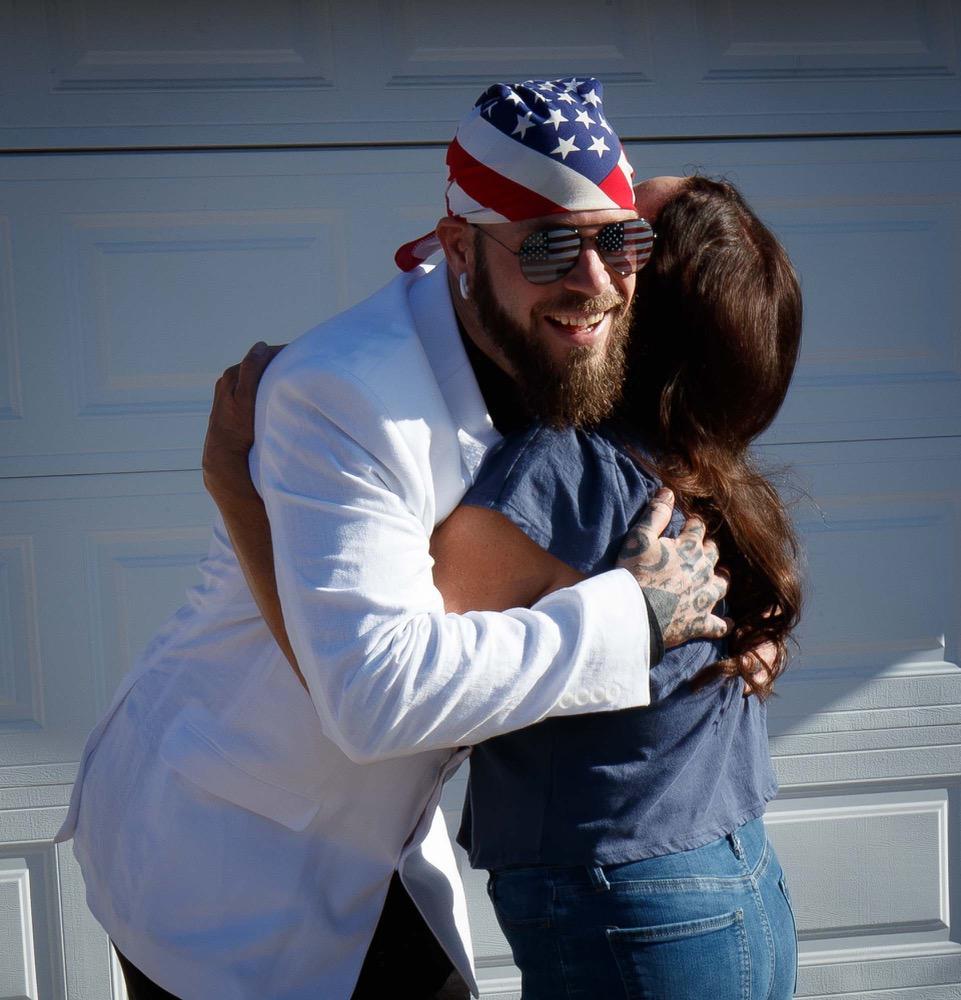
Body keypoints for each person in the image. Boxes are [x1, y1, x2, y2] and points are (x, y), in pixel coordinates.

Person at [55, 78, 731, 1000]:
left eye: (621, 239)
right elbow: (376, 694)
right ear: (458, 247)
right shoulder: (341, 393)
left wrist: (754, 623)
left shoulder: (564, 344)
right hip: (222, 861)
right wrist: (631, 616)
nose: (596, 280)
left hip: (377, 847)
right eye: (547, 244)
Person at [207, 175, 803, 998]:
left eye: (626, 236)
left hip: (633, 912)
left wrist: (232, 485)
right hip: (742, 882)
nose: (597, 247)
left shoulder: (558, 475)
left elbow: (383, 698)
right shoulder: (704, 466)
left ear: (634, 300)